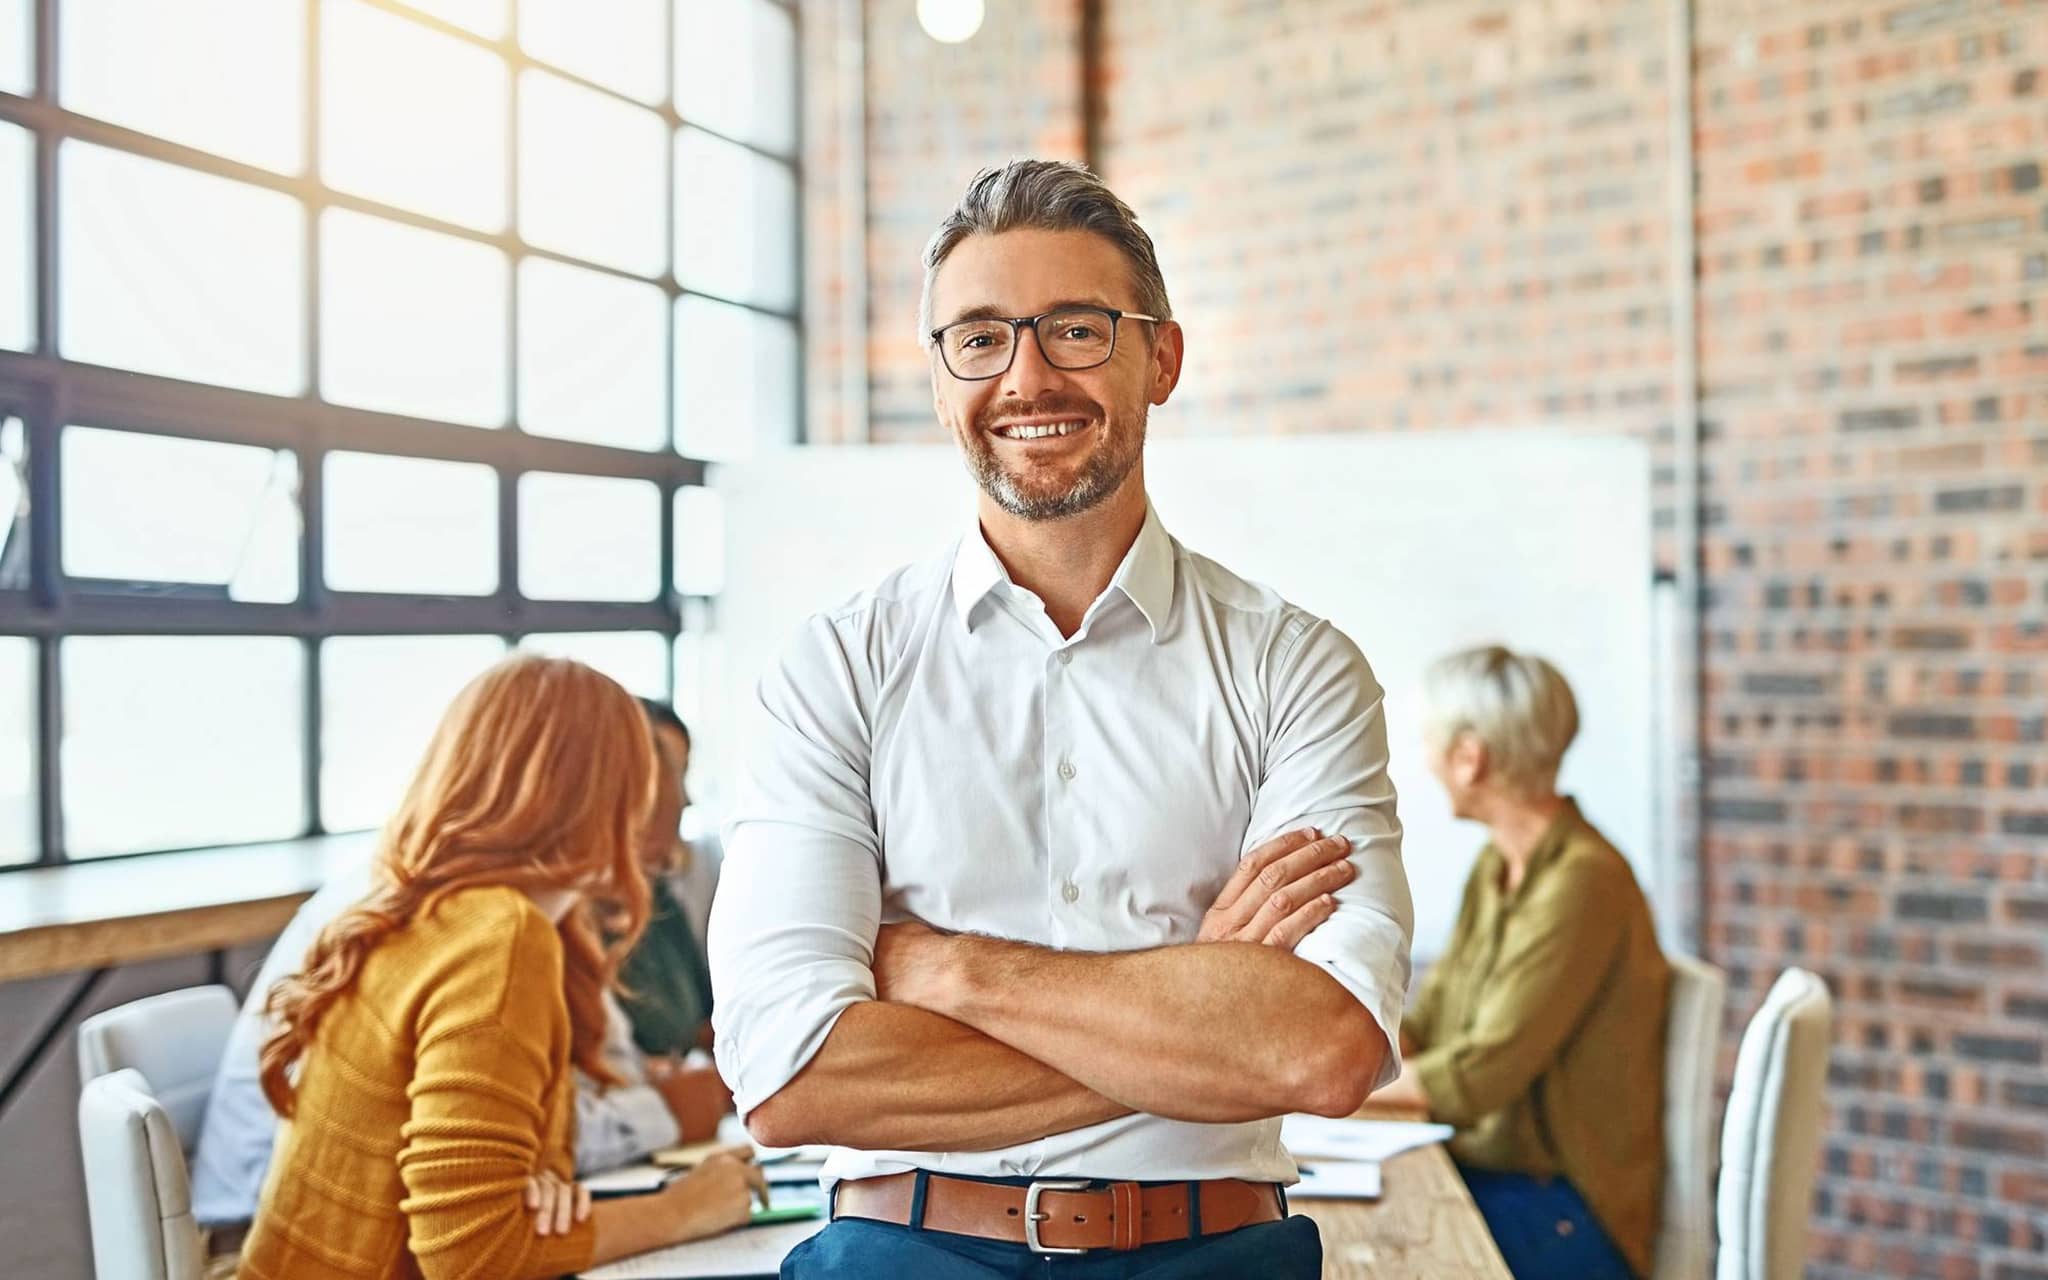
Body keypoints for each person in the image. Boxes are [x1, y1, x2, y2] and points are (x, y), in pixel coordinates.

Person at [709, 159, 1414, 1278]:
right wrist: (1197, 987)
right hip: (898, 1253)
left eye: (1076, 329)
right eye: (979, 338)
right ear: (941, 380)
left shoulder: (1295, 667)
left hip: (1213, 1252)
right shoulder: (838, 666)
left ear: (1161, 357)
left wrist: (949, 970)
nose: (1026, 376)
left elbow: (1320, 1045)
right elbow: (791, 1078)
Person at [236, 656, 766, 1280]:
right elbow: (472, 1258)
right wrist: (683, 1209)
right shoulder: (503, 936)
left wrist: (532, 1188)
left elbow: (474, 1220)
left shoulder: (433, 910)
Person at [1371, 645, 1670, 1280]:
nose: (1424, 762)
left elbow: (1480, 1073)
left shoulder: (1584, 882)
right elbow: (1431, 1025)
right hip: (1497, 1177)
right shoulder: (1496, 867)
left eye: (1431, 744)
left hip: (1567, 1210)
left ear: (1469, 757)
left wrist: (1329, 1095)